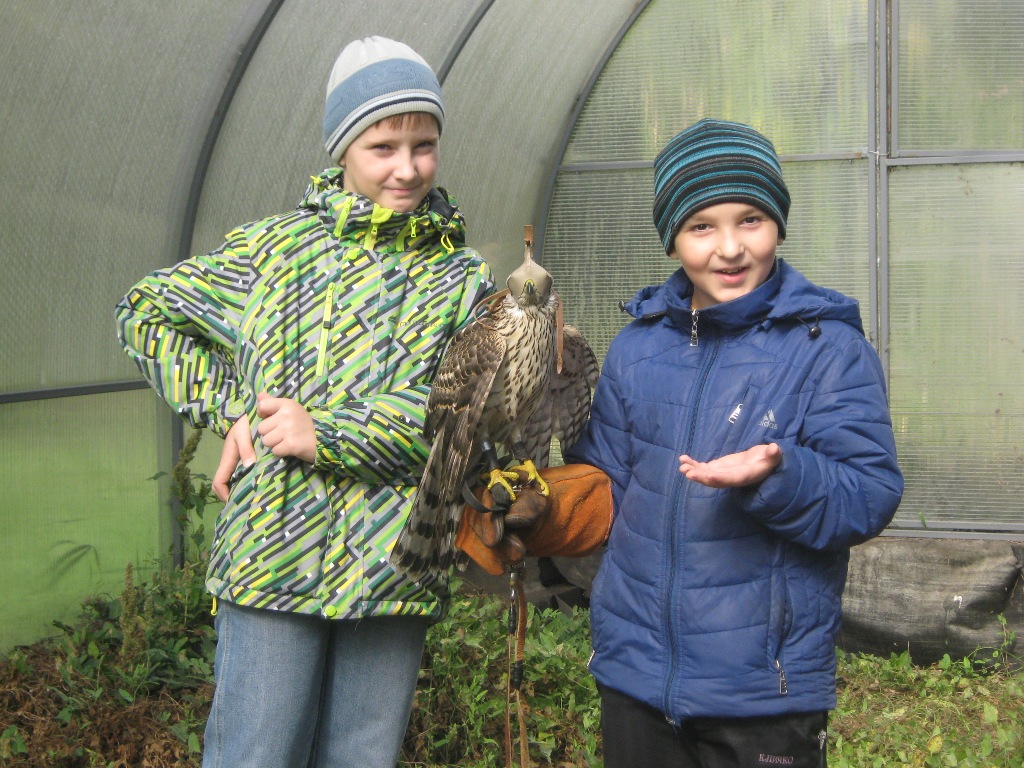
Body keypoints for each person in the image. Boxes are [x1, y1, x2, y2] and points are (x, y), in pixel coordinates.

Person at [116, 36, 493, 768]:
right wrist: (232, 410)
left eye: (425, 144)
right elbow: (145, 311)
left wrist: (328, 431)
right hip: (272, 555)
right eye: (383, 145)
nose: (408, 167)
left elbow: (463, 423)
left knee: (361, 757)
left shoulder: (463, 280)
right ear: (342, 147)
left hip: (394, 562)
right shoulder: (273, 252)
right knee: (253, 755)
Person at [564, 118, 904, 767]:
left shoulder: (828, 350)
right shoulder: (637, 350)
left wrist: (778, 473)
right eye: (701, 226)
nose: (729, 248)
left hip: (762, 696)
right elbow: (600, 484)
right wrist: (544, 509)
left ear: (778, 223)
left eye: (750, 219)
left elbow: (869, 493)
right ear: (672, 243)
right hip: (636, 679)